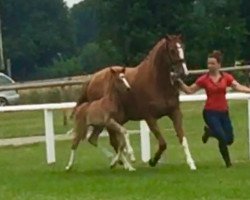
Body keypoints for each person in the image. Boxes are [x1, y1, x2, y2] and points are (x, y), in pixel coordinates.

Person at [178, 50, 250, 167]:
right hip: (210, 112)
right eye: (208, 63)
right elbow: (190, 90)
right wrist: (179, 82)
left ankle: (210, 132)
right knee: (222, 137)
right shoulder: (204, 79)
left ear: (219, 65)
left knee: (229, 139)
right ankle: (228, 164)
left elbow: (238, 87)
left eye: (212, 63)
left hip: (223, 112)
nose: (210, 66)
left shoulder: (226, 77)